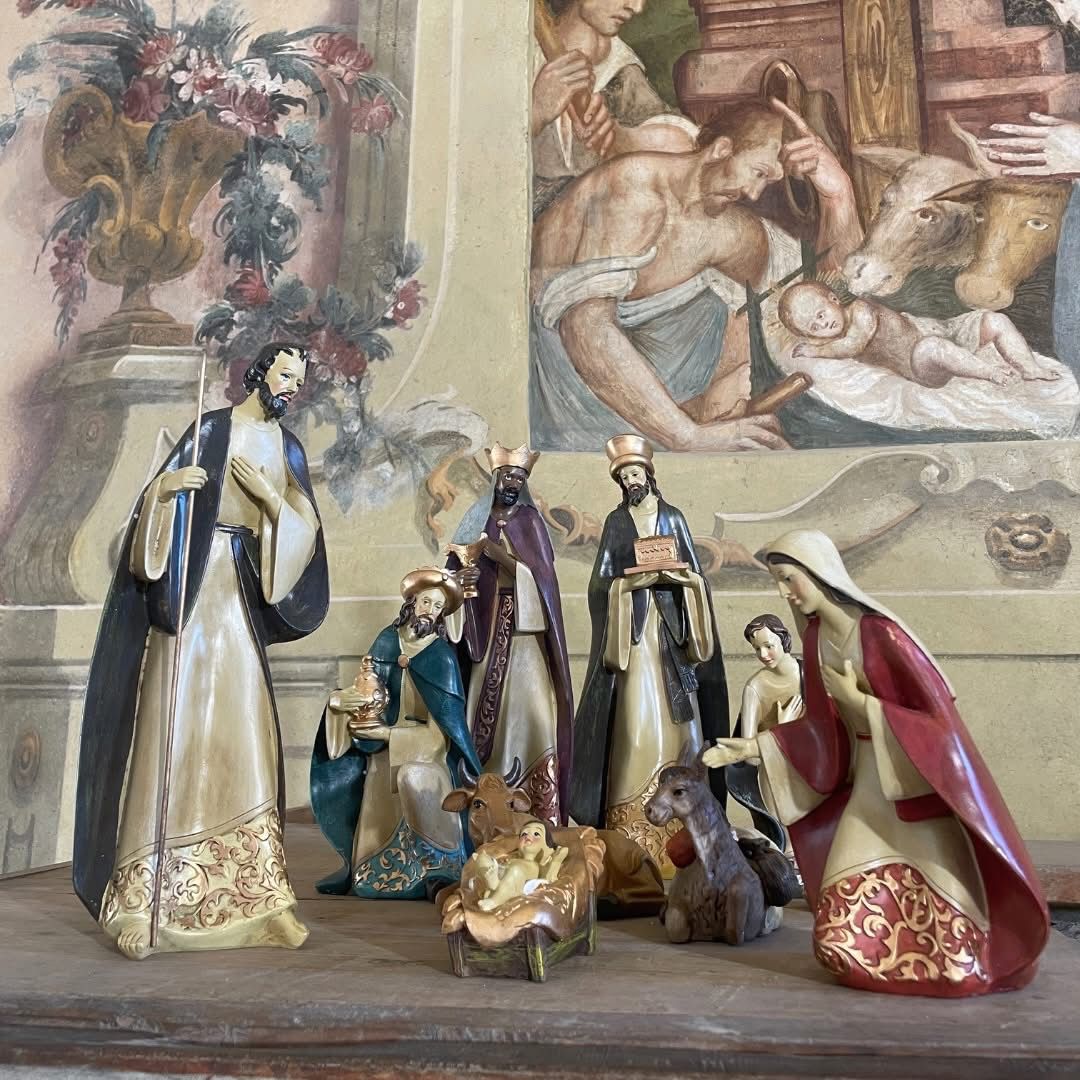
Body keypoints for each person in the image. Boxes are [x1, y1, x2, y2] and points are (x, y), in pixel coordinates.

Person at [704, 529, 1049, 997]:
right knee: (835, 939)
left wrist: (863, 705)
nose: (785, 592)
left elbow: (939, 723)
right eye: (778, 582)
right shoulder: (816, 638)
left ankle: (964, 965)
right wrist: (754, 748)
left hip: (914, 787)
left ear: (818, 572)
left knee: (952, 924)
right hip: (868, 788)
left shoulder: (880, 633)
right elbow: (821, 730)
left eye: (788, 578)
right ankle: (896, 967)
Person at [73, 342, 329, 959]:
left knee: (244, 728)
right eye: (284, 375)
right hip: (189, 591)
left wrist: (271, 501)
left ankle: (262, 900)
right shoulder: (210, 429)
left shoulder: (288, 448)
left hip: (239, 591)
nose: (290, 389)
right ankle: (143, 902)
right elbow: (147, 516)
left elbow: (306, 529)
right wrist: (167, 490)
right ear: (259, 373)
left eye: (298, 382)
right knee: (173, 726)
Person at [530, 97, 863, 452]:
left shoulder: (727, 229)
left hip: (664, 407)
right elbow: (585, 330)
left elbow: (828, 294)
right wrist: (687, 435)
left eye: (767, 182)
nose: (754, 194)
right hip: (567, 392)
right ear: (722, 150)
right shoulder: (635, 190)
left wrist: (838, 195)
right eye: (758, 173)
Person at [568, 434, 728, 873]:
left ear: (649, 475)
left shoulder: (672, 517)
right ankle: (630, 823)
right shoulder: (616, 522)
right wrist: (628, 585)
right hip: (634, 636)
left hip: (672, 635)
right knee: (636, 719)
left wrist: (681, 580)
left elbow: (697, 576)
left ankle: (685, 822)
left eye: (636, 474)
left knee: (683, 727)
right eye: (624, 478)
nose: (631, 482)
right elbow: (600, 584)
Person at [310, 569, 482, 900]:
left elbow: (440, 737)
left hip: (425, 759)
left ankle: (436, 867)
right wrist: (339, 704)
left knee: (413, 778)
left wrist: (388, 734)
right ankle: (374, 869)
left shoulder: (442, 658)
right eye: (426, 602)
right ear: (411, 602)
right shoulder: (386, 642)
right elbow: (366, 693)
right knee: (368, 868)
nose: (430, 611)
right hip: (380, 763)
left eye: (438, 607)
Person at [446, 443, 574, 825]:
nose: (513, 483)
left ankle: (539, 807)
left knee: (535, 710)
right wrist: (462, 580)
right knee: (485, 711)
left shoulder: (531, 522)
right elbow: (451, 572)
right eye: (507, 476)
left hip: (525, 635)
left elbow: (544, 579)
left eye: (519, 478)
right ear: (495, 479)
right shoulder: (475, 518)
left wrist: (502, 558)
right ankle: (487, 800)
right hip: (485, 631)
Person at [532, 0, 698, 216]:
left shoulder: (622, 69)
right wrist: (537, 112)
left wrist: (619, 138)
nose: (636, 8)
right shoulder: (517, 55)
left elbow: (685, 147)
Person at [779, 281, 1056, 387]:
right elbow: (852, 346)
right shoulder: (839, 342)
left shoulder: (860, 309)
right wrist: (815, 350)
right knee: (932, 347)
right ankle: (990, 372)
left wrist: (817, 347)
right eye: (814, 327)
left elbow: (855, 341)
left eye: (821, 315)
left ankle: (1029, 368)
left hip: (946, 331)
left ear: (834, 299)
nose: (824, 325)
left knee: (995, 319)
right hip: (921, 363)